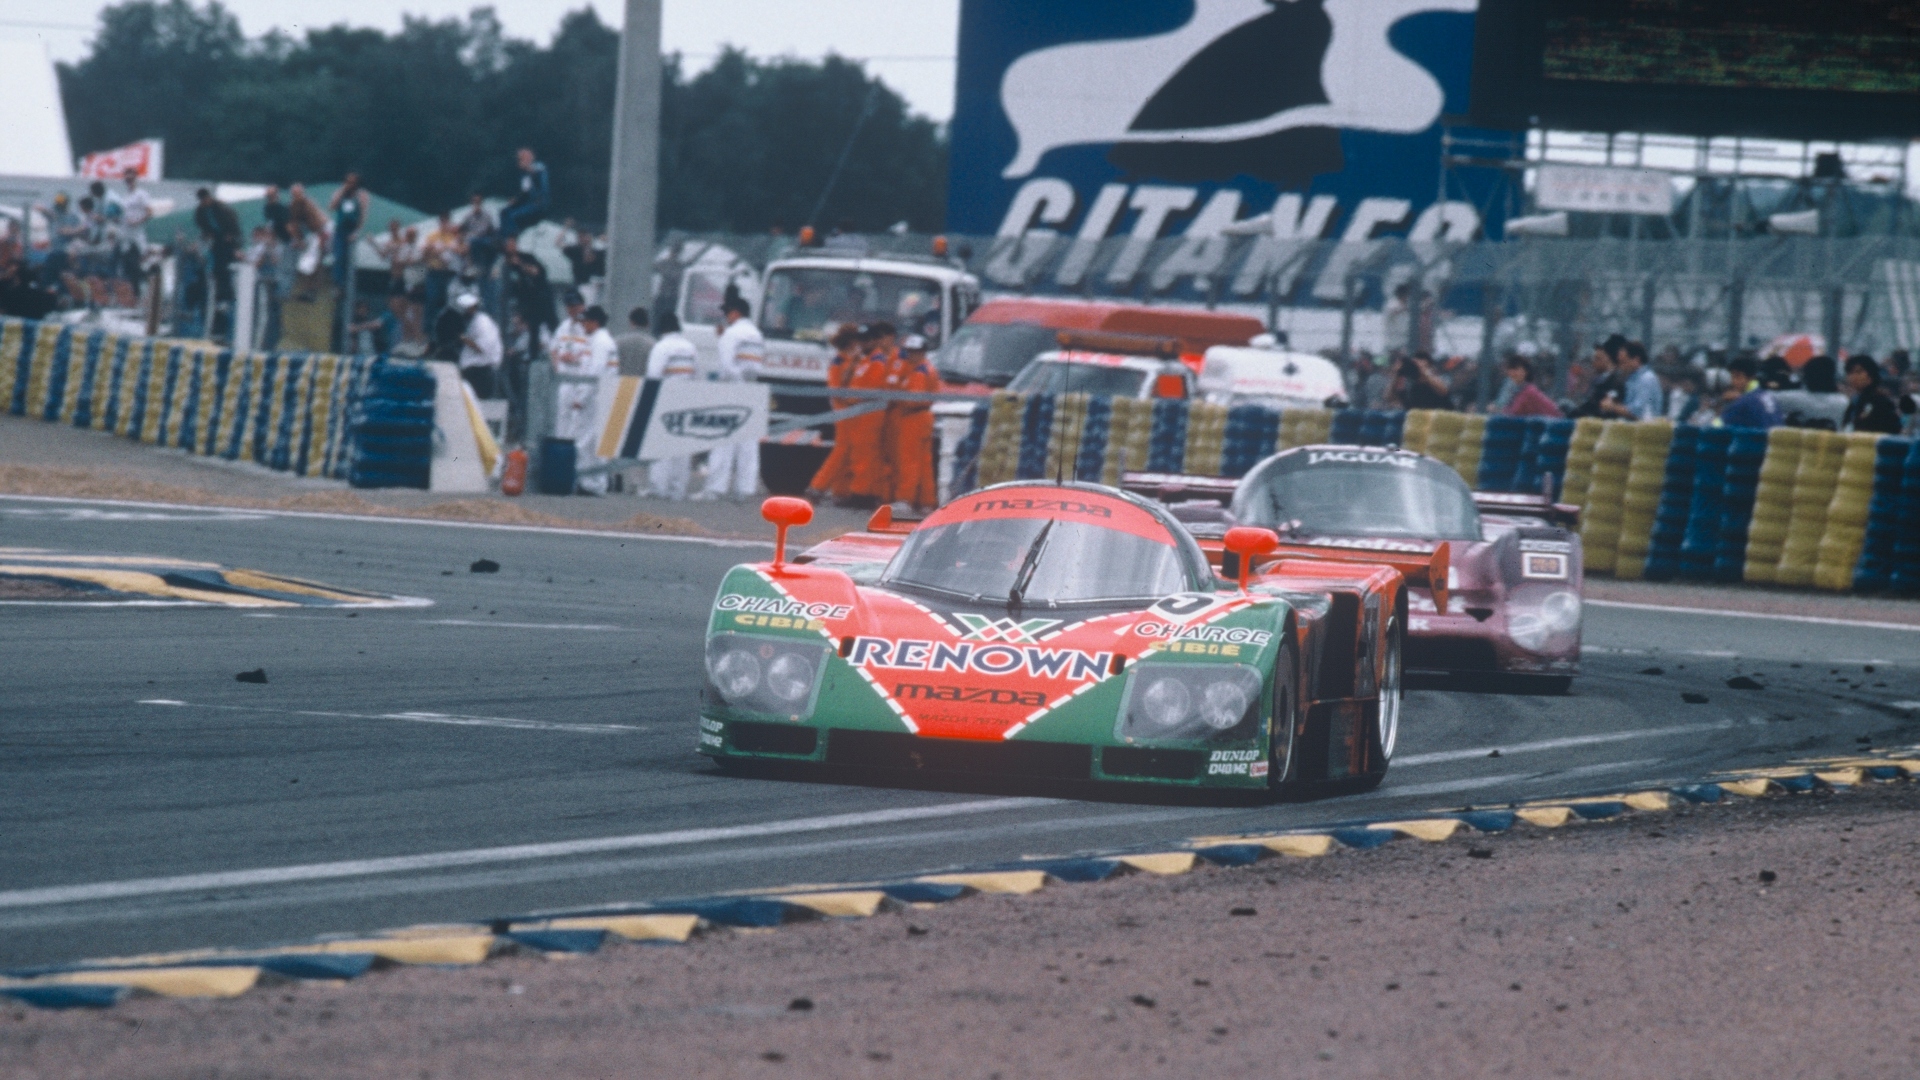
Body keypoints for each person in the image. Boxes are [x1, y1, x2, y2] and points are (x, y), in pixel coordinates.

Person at [700, 294, 766, 501]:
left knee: (723, 440)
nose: (726, 317)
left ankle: (715, 488)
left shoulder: (732, 333)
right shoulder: (756, 334)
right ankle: (744, 489)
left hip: (732, 390)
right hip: (751, 390)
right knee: (748, 443)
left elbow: (727, 367)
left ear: (736, 312)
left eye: (727, 313)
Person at [552, 304, 619, 495]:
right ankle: (594, 483)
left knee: (583, 440)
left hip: (594, 398)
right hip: (598, 396)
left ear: (594, 322)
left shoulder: (600, 342)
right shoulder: (600, 341)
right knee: (592, 442)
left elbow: (594, 372)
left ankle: (588, 482)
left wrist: (581, 397)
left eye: (586, 321)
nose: (583, 325)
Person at [805, 325, 867, 502]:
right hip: (843, 410)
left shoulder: (850, 359)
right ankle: (817, 486)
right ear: (852, 342)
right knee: (842, 449)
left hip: (852, 410)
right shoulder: (840, 361)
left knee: (849, 451)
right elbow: (837, 388)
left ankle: (841, 491)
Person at [644, 312, 699, 499]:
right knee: (682, 446)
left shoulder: (662, 346)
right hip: (687, 399)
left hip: (665, 398)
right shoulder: (690, 347)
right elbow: (696, 375)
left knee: (661, 444)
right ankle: (677, 490)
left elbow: (653, 375)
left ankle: (658, 488)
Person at [885, 333, 940, 512]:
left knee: (908, 460)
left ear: (922, 352)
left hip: (914, 418)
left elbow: (912, 399)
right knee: (924, 462)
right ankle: (926, 501)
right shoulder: (921, 368)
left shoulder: (919, 372)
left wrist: (897, 398)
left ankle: (905, 499)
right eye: (909, 351)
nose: (911, 355)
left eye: (915, 352)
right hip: (921, 417)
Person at [192, 187, 241, 328]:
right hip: (216, 237)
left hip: (227, 237)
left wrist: (231, 235)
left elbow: (233, 220)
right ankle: (219, 295)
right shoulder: (200, 211)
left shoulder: (221, 207)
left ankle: (227, 295)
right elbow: (201, 224)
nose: (205, 202)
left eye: (206, 200)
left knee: (224, 267)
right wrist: (208, 233)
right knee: (217, 268)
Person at [1773, 354, 1848, 429]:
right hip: (1831, 440)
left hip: (1799, 440)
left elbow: (1766, 398)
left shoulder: (1790, 399)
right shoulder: (1844, 402)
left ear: (1807, 375)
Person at [419, 211, 465, 332]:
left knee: (448, 303)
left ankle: (447, 330)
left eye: (447, 221)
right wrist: (435, 251)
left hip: (448, 274)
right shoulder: (432, 236)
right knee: (431, 301)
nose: (445, 224)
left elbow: (458, 250)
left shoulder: (454, 236)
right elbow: (424, 252)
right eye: (442, 221)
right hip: (434, 272)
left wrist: (441, 249)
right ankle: (428, 332)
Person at [452, 292, 502, 398]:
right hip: (472, 368)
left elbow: (481, 348)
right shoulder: (474, 322)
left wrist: (462, 338)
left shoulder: (483, 323)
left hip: (481, 370)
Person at [1841, 355, 1903, 434]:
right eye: (1850, 373)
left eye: (1858, 372)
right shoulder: (1854, 401)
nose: (1853, 377)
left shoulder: (1880, 402)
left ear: (1871, 375)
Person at [328, 173, 370, 289]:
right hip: (340, 229)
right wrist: (342, 192)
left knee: (349, 259)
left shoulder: (361, 195)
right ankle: (338, 283)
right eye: (347, 182)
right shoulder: (339, 193)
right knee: (338, 256)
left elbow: (363, 215)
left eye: (352, 182)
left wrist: (357, 232)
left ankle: (347, 284)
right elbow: (332, 207)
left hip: (352, 229)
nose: (349, 184)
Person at [1719, 357, 1782, 430]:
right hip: (1775, 440)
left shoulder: (1743, 402)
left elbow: (1716, 428)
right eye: (1732, 377)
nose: (1733, 381)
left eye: (1737, 377)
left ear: (1751, 377)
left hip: (1757, 440)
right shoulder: (1767, 396)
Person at [1570, 335, 1626, 418]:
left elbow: (1595, 406)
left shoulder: (1615, 380)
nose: (1593, 363)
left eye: (1598, 358)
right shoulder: (1604, 379)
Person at [499, 148, 550, 237]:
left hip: (539, 203)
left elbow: (542, 185)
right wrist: (515, 200)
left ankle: (512, 240)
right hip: (529, 202)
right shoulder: (524, 175)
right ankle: (502, 238)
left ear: (529, 158)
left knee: (513, 216)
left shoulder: (539, 167)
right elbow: (525, 191)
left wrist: (528, 168)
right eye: (519, 159)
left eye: (521, 158)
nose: (519, 161)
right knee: (504, 212)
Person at [615, 306, 656, 377]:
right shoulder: (654, 345)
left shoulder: (618, 342)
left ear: (631, 322)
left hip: (621, 385)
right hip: (643, 386)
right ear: (648, 324)